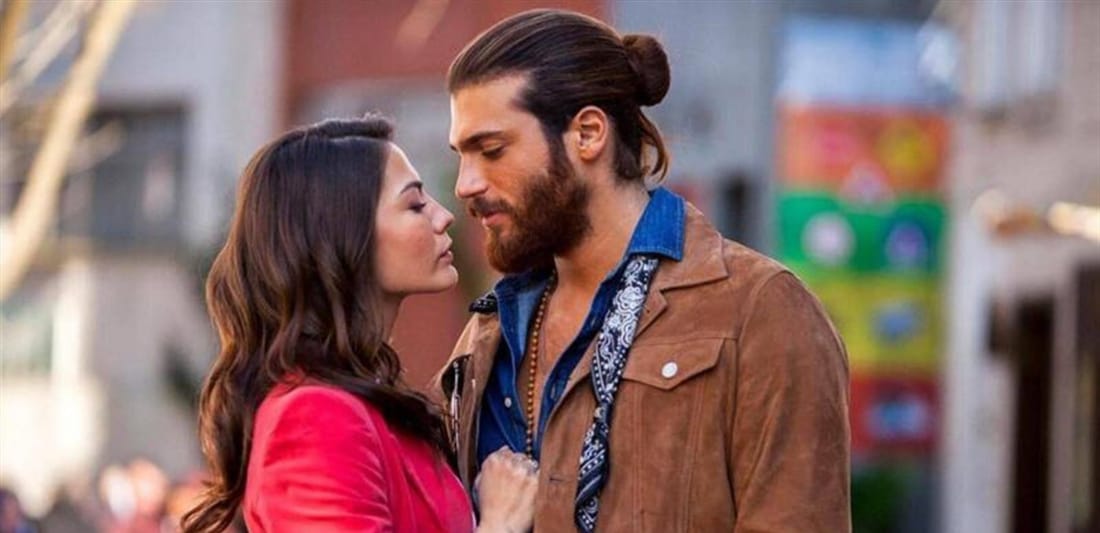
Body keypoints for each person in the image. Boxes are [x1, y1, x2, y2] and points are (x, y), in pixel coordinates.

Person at [432, 9, 851, 532]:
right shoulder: (488, 334)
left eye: (491, 150)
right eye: (462, 156)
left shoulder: (758, 310)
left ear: (588, 134)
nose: (466, 184)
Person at [180, 115, 537, 533]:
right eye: (415, 205)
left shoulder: (370, 404)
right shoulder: (314, 415)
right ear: (345, 235)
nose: (444, 216)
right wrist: (500, 524)